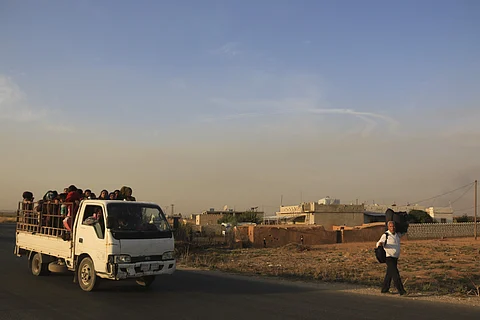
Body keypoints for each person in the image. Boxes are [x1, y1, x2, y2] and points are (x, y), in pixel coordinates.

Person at [376, 221, 407, 295]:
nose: (392, 228)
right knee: (395, 274)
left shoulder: (396, 235)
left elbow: (404, 231)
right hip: (389, 257)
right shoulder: (386, 235)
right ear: (388, 227)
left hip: (395, 258)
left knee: (389, 274)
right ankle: (401, 291)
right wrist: (380, 244)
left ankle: (384, 289)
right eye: (390, 226)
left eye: (393, 226)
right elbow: (378, 243)